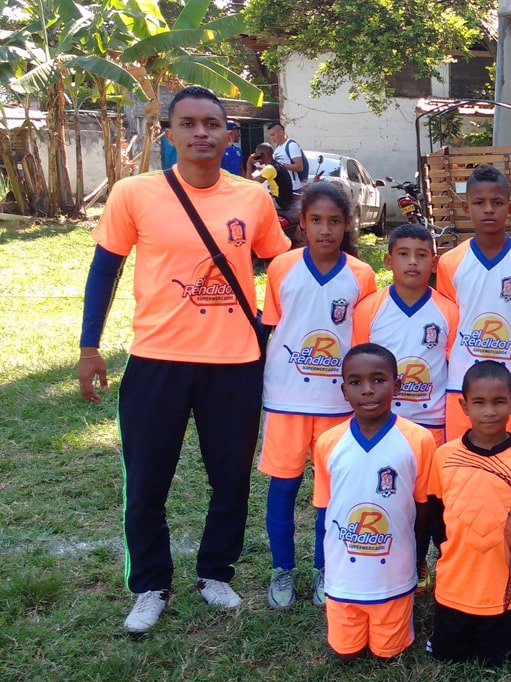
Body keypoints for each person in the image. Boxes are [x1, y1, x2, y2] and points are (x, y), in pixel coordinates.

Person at [78, 86, 290, 633]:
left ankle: (215, 573)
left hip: (236, 362)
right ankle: (150, 585)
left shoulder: (252, 199)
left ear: (227, 135)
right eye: (189, 123)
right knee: (147, 481)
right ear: (168, 133)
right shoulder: (134, 194)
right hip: (157, 361)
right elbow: (106, 269)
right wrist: (88, 346)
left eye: (212, 124)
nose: (201, 133)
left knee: (231, 477)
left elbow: (285, 267)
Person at [258, 180, 377, 609]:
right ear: (301, 224)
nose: (325, 230)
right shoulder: (280, 268)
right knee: (284, 488)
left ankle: (324, 570)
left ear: (347, 225)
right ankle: (282, 570)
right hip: (287, 398)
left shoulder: (361, 275)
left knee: (330, 493)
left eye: (334, 221)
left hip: (337, 404)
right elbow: (273, 324)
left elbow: (362, 343)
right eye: (315, 221)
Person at [351, 222, 460, 590]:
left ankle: (436, 562)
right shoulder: (369, 309)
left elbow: (452, 367)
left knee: (433, 502)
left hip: (434, 426)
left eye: (421, 254)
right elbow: (359, 367)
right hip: (386, 427)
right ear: (388, 261)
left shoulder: (448, 311)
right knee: (392, 496)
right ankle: (398, 561)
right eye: (403, 254)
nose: (412, 262)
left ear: (433, 262)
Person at [312, 343, 437, 662]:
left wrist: (417, 557)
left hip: (393, 573)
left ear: (397, 385)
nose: (367, 390)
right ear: (344, 390)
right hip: (344, 575)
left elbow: (424, 506)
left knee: (387, 654)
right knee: (346, 654)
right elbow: (325, 508)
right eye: (356, 382)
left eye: (378, 380)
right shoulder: (328, 442)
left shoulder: (419, 439)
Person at [426, 361, 511, 666]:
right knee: (447, 656)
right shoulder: (444, 457)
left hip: (503, 586)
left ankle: (509, 632)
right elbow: (436, 517)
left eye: (498, 402)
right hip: (456, 581)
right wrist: (451, 550)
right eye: (479, 403)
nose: (489, 411)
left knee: (498, 660)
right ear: (464, 406)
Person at [435, 164, 511, 449]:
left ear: (508, 208)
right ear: (465, 206)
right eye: (479, 202)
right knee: (462, 459)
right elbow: (449, 321)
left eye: (496, 203)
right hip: (463, 378)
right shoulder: (450, 263)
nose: (488, 210)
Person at [246, 143, 295, 224]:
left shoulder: (270, 168)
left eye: (258, 155)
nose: (256, 158)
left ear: (264, 155)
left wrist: (249, 163)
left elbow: (250, 185)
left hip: (280, 202)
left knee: (252, 205)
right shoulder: (277, 165)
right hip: (286, 200)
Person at [265, 121, 305, 196]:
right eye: (270, 135)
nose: (272, 138)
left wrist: (281, 166)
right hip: (281, 187)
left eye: (273, 135)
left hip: (292, 187)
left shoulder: (291, 145)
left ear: (281, 132)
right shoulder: (277, 147)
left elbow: (299, 167)